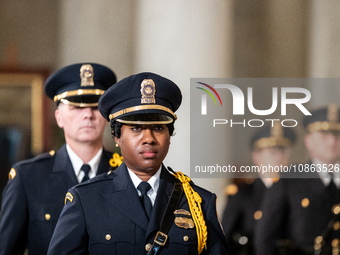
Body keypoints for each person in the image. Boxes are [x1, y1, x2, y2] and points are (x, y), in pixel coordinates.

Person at [47, 72, 228, 255]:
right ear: (117, 137)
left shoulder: (198, 201)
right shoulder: (86, 199)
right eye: (136, 128)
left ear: (170, 135)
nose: (148, 139)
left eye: (158, 128)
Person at [0, 63, 118, 255]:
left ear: (107, 117)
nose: (88, 114)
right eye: (77, 107)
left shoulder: (127, 172)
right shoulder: (28, 177)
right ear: (58, 117)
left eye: (95, 106)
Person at [255, 104, 340, 255]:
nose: (332, 142)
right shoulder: (290, 180)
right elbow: (265, 238)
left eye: (337, 135)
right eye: (324, 136)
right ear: (308, 141)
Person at [221, 123, 296, 255]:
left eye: (283, 151)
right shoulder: (242, 194)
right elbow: (225, 241)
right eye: (273, 152)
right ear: (256, 156)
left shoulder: (297, 192)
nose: (279, 157)